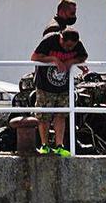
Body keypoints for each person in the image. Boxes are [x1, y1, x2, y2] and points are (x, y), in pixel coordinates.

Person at [30, 27, 88, 157]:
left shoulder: (76, 45)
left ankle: (59, 145)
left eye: (72, 47)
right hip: (45, 85)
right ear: (61, 38)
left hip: (63, 87)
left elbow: (83, 56)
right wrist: (54, 60)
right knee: (43, 115)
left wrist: (71, 61)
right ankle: (44, 145)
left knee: (61, 115)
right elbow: (34, 57)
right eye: (67, 46)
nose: (69, 49)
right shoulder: (50, 40)